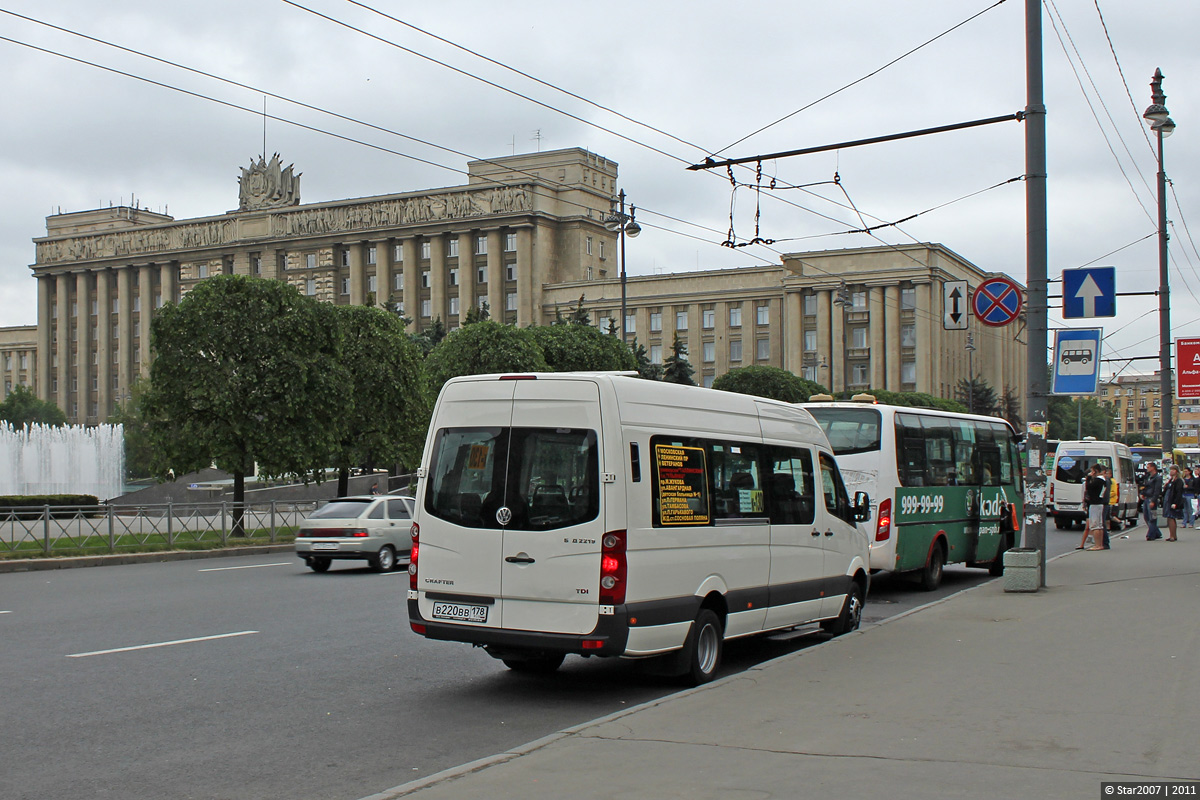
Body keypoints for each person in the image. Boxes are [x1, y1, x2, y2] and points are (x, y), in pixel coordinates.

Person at [1080, 464, 1108, 551]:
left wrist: (1088, 478)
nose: (1091, 473)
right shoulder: (1104, 480)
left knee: (1095, 525)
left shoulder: (1097, 480)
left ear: (1095, 471)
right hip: (1100, 503)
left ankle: (1097, 545)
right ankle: (1100, 544)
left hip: (1094, 503)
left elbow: (1088, 488)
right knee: (1100, 525)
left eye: (1092, 471)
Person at [1141, 462, 1163, 541]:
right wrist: (1143, 493)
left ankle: (1151, 535)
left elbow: (1157, 490)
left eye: (1148, 467)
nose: (1147, 468)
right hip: (1147, 498)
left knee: (1152, 517)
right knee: (1146, 516)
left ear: (1153, 468)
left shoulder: (1157, 478)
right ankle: (1157, 532)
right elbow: (1145, 486)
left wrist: (1153, 500)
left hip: (1152, 498)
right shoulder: (1148, 477)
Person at [1162, 464, 1185, 542]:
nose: (1171, 471)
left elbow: (1178, 493)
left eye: (1173, 470)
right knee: (1169, 518)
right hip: (1168, 500)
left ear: (1177, 471)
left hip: (1172, 501)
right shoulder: (1170, 480)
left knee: (1172, 517)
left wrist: (1175, 503)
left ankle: (1173, 535)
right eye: (1170, 469)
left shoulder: (1178, 480)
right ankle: (1172, 535)